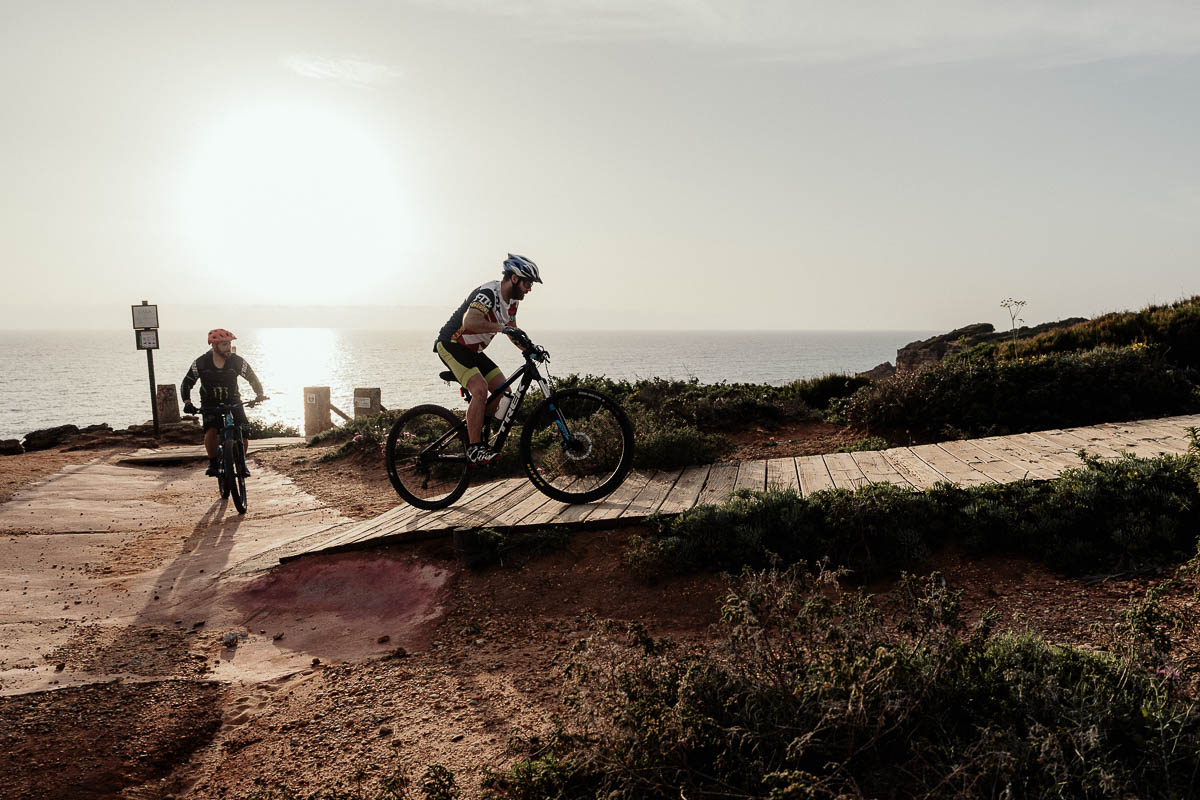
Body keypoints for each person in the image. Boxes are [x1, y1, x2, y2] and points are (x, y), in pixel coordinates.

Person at [435, 253, 543, 464]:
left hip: (473, 352)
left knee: (503, 389)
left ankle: (479, 433)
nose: (529, 288)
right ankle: (474, 449)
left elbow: (512, 329)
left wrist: (530, 349)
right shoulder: (489, 293)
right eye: (528, 283)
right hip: (452, 345)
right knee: (480, 389)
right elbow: (470, 322)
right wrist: (501, 328)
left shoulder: (512, 302)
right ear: (514, 278)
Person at [180, 329, 266, 477]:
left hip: (233, 400)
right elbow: (187, 383)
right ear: (214, 346)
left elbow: (252, 378)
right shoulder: (201, 363)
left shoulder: (237, 361)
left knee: (243, 432)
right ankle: (213, 462)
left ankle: (242, 463)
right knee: (211, 430)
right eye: (225, 345)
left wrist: (259, 394)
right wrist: (187, 402)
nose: (228, 348)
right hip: (210, 402)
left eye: (229, 344)